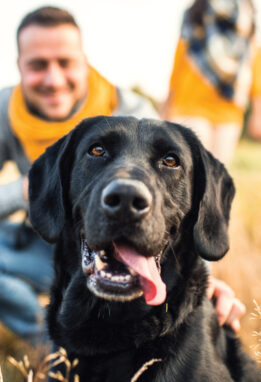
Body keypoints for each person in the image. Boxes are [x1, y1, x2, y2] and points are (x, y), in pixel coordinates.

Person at [0, 5, 244, 345]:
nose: (54, 80)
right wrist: (24, 191)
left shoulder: (134, 114)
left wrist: (202, 282)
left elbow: (176, 203)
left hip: (130, 244)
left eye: (65, 63)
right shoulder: (5, 110)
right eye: (38, 65)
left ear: (84, 61)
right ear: (19, 66)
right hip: (50, 242)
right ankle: (46, 340)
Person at [161, 0, 256, 166]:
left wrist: (258, 109)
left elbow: (253, 62)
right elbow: (180, 58)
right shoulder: (195, 12)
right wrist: (167, 104)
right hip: (191, 104)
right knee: (193, 170)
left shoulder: (247, 17)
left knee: (217, 175)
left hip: (229, 109)